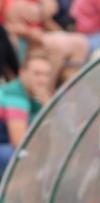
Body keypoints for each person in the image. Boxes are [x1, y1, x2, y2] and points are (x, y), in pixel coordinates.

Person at [0, 50, 52, 178]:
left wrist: (49, 105)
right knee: (22, 158)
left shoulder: (41, 97)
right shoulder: (14, 96)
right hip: (6, 148)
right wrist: (50, 109)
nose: (42, 80)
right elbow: (19, 142)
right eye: (37, 74)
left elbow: (66, 131)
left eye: (46, 75)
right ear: (22, 73)